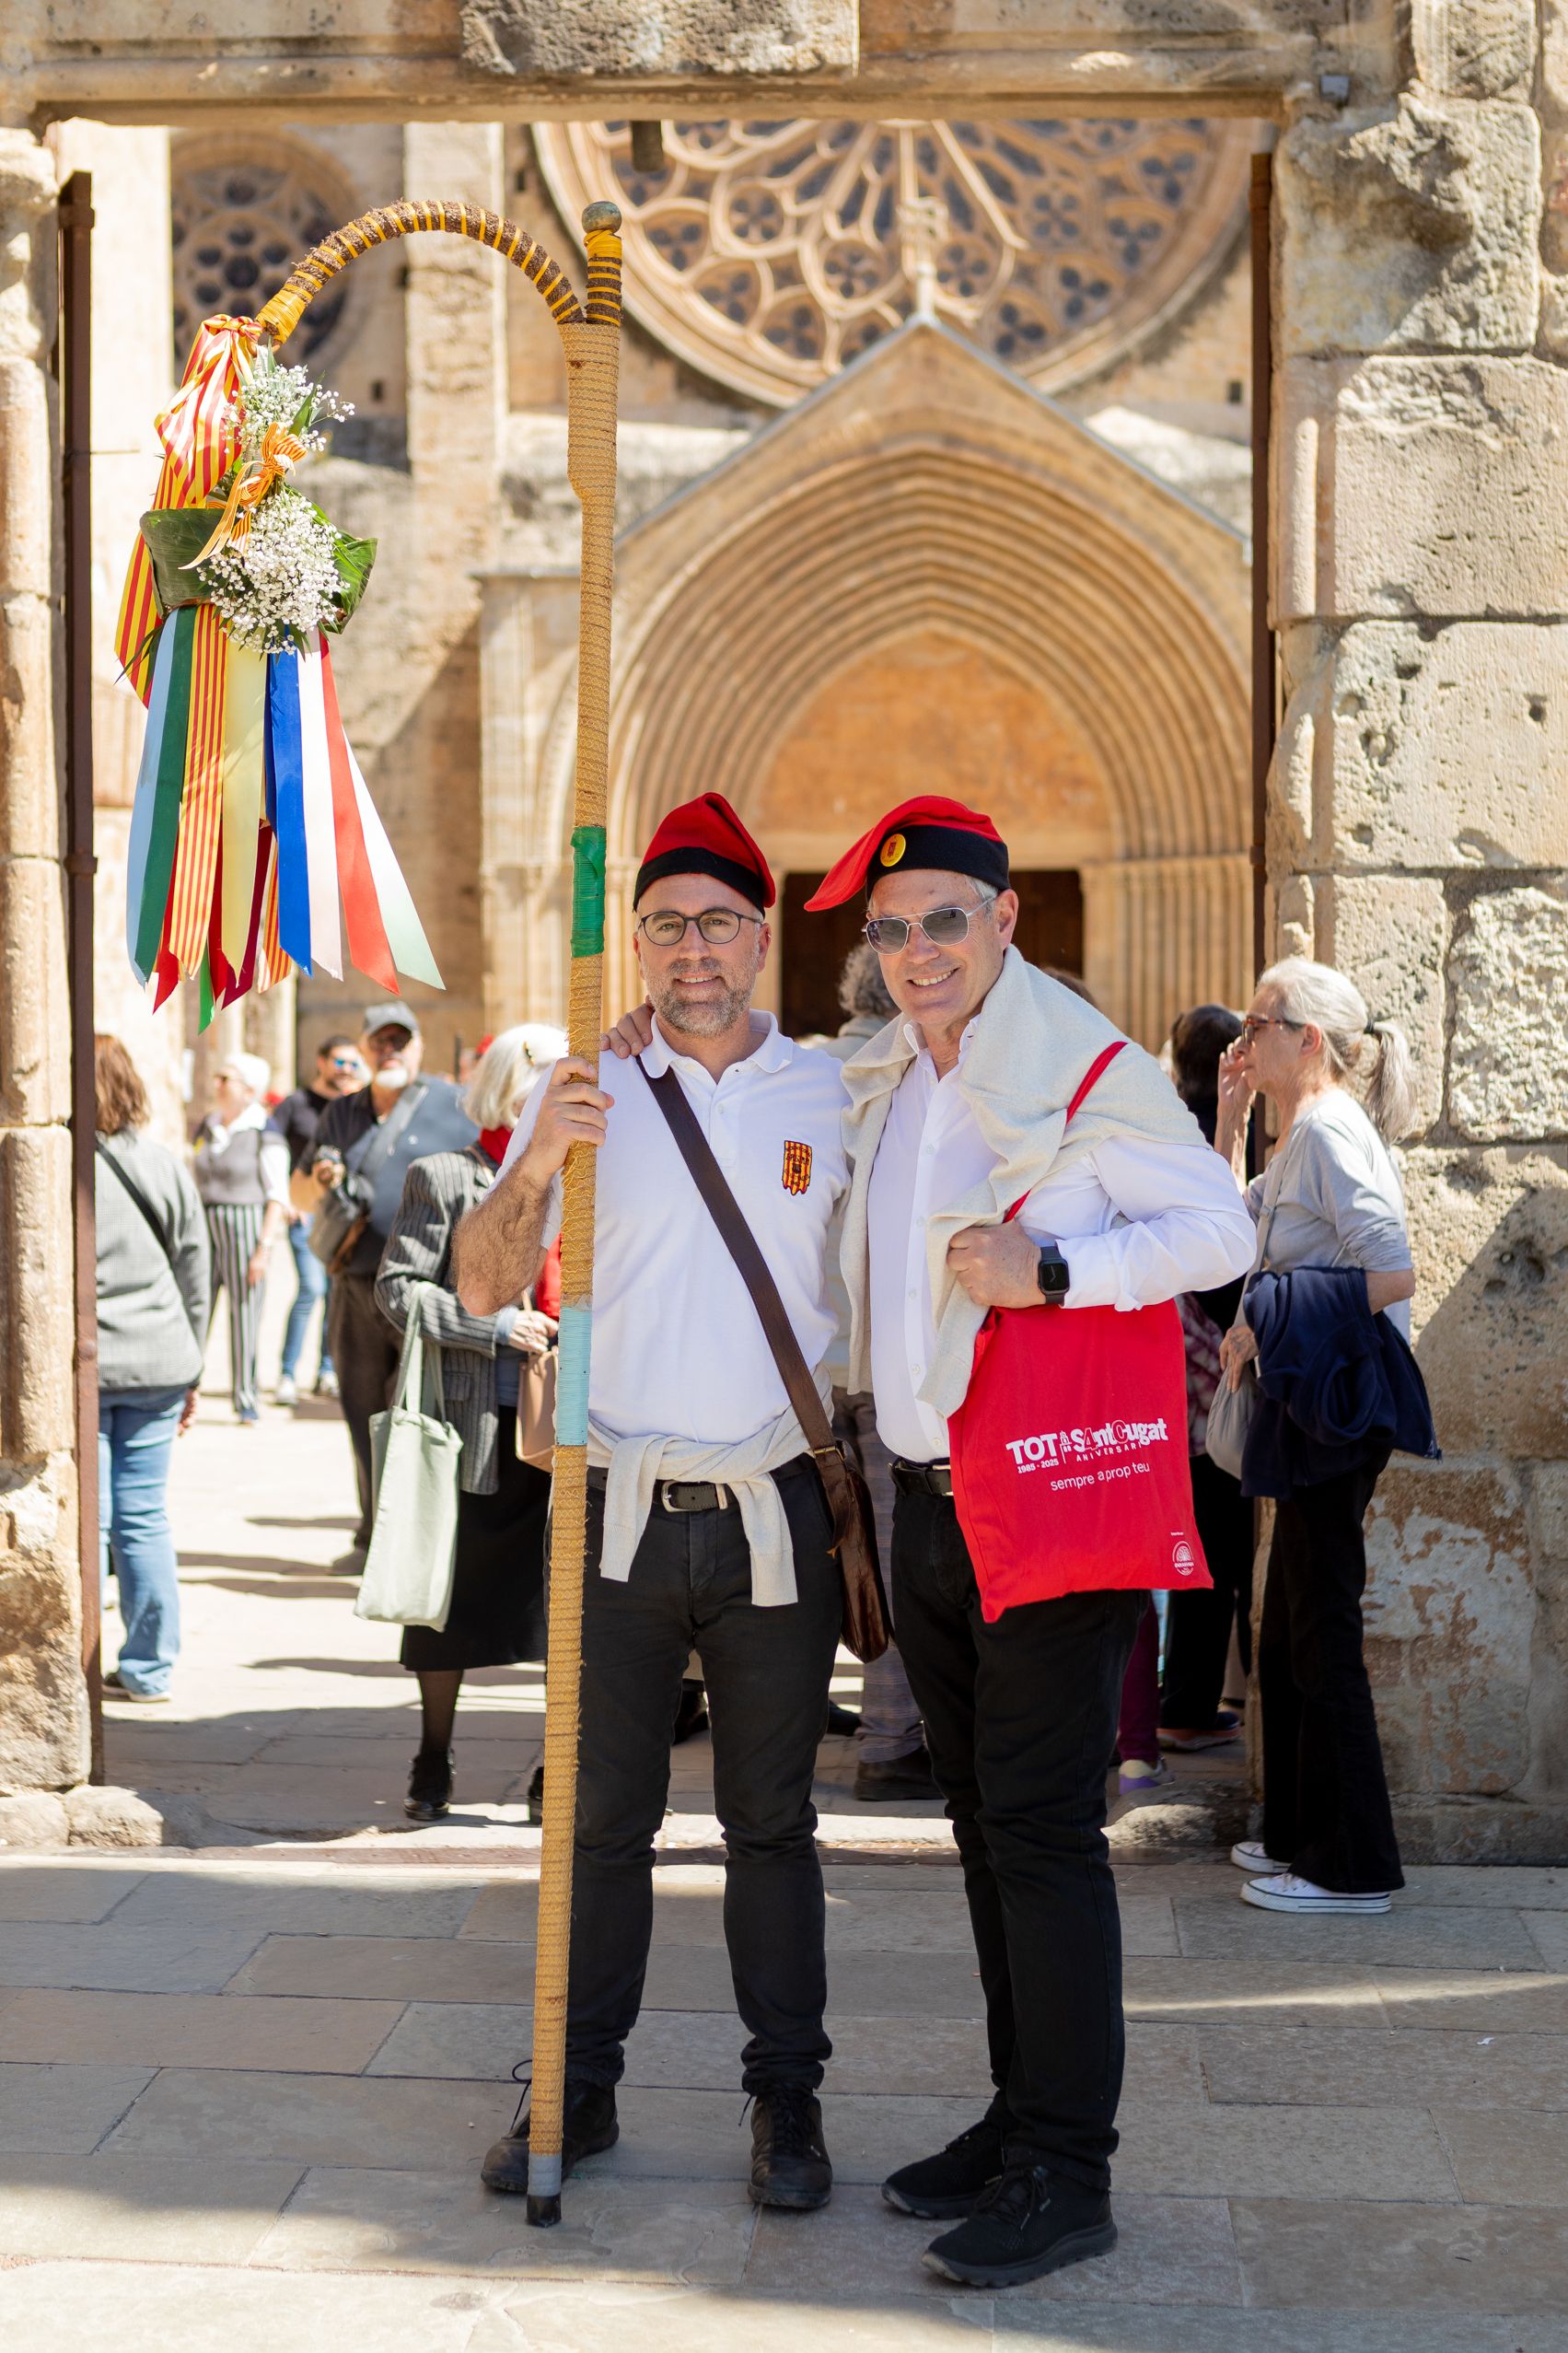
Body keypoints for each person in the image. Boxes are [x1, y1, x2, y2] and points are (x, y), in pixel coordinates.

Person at [805, 795, 1256, 2288]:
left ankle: (1068, 2171)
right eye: (891, 927)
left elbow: (1218, 1234)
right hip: (929, 1496)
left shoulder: (1088, 1068)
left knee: (1047, 1837)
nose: (918, 948)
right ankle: (1016, 2122)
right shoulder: (893, 1074)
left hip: (1046, 1498)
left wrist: (1051, 1267)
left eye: (945, 917)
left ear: (1003, 920)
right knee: (982, 1826)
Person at [455, 792, 851, 2213]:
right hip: (615, 1507)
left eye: (717, 921)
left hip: (769, 1504)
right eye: (663, 923)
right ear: (633, 942)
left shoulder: (831, 1090)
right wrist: (548, 1149)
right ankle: (575, 2082)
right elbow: (485, 1281)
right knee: (599, 1821)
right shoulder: (586, 1086)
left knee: (772, 1825)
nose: (691, 947)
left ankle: (786, 2104)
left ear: (759, 936)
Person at [1214, 957, 1420, 1916]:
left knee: (1320, 1625)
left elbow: (1393, 1271)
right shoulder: (1297, 1132)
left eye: (1257, 1024)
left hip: (1335, 1403)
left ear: (1308, 1039)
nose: (1241, 1039)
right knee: (1287, 1622)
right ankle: (1297, 1836)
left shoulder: (1332, 1130)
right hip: (1309, 1403)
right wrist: (1225, 1118)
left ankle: (1352, 1866)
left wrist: (1278, 1313)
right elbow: (1222, 1234)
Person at [375, 1023, 566, 1823]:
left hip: (565, 1429)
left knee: (567, 1610)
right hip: (471, 1429)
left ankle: (555, 1770)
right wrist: (494, 1326)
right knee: (445, 1611)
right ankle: (433, 1752)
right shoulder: (446, 1176)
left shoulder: (591, 1180)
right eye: (540, 1093)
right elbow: (397, 1290)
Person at [291, 1004, 476, 1570]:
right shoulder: (342, 1114)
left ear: (418, 1047)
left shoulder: (454, 1106)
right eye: (381, 1041)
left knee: (430, 1415)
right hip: (355, 1285)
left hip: (431, 1286)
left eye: (401, 1040)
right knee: (363, 1410)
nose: (390, 1050)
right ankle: (373, 1534)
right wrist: (321, 1183)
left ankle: (427, 1540)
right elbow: (298, 1195)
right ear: (367, 1048)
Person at [818, 942, 933, 1801]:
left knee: (832, 1546)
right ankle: (893, 1738)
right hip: (893, 1358)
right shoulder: (914, 1074)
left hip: (810, 1362)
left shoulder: (807, 1075)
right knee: (898, 1550)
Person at [93, 1035, 210, 1703]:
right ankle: (149, 1667)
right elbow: (196, 1269)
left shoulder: (54, 1161)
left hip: (88, 1364)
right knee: (142, 1515)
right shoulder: (164, 1165)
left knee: (96, 1520)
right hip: (163, 1359)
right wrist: (192, 1362)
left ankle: (70, 1661)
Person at [1157, 1003, 1255, 1753]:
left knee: (1185, 1536)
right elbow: (1222, 1258)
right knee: (1217, 1537)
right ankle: (1192, 1698)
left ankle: (1183, 1692)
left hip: (1169, 1368)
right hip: (1214, 1368)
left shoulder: (1161, 1125)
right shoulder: (1223, 1133)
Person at [192, 1052, 289, 1425]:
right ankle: (186, 1387)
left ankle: (245, 1397)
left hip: (245, 1222)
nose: (217, 1085)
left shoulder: (265, 1131)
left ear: (249, 1090)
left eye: (225, 1079)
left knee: (245, 1312)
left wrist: (263, 1249)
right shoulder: (209, 1125)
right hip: (206, 1222)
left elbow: (277, 1194)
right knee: (196, 1305)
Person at [267, 1033, 366, 1404]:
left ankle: (327, 1370)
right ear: (321, 1061)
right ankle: (288, 1373)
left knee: (336, 1292)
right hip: (304, 1212)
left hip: (343, 1216)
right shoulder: (296, 1104)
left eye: (353, 1064)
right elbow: (272, 1149)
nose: (346, 1070)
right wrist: (286, 1195)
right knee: (312, 1288)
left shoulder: (355, 1108)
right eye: (340, 1062)